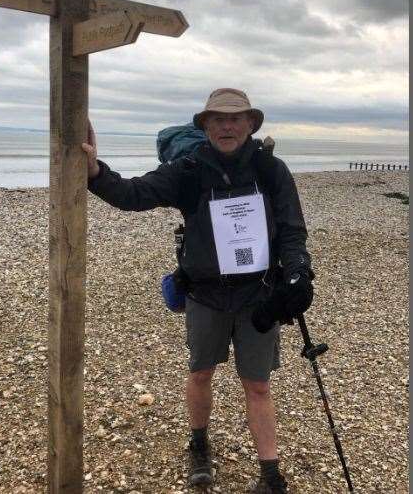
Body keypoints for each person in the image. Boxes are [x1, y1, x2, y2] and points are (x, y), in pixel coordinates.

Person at [82, 88, 313, 493]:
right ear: (205, 126)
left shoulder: (271, 170)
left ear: (250, 124)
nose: (227, 125)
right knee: (201, 371)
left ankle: (271, 475)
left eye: (235, 118)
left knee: (258, 383)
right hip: (204, 294)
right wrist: (95, 172)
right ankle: (199, 444)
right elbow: (133, 195)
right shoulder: (188, 170)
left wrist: (298, 273)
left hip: (259, 294)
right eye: (217, 119)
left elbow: (293, 230)